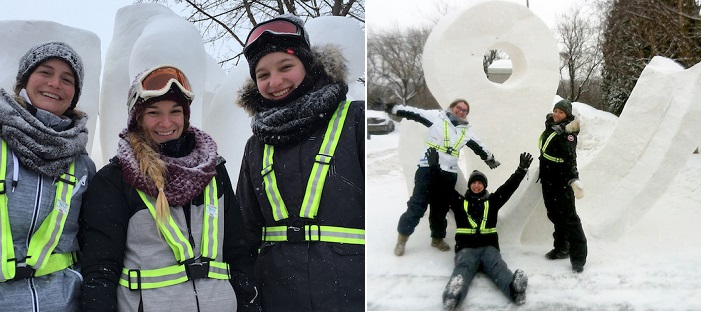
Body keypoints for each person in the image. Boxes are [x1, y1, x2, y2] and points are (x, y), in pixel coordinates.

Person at [79, 65, 260, 311]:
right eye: (154, 112)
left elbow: (238, 253)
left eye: (175, 111)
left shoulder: (213, 172)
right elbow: (100, 270)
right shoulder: (115, 180)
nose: (166, 122)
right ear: (138, 118)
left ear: (185, 116)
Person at [236, 14, 365, 312]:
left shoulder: (355, 120)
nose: (275, 82)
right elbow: (244, 234)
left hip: (351, 293)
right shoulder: (255, 146)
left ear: (308, 66)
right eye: (263, 75)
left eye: (286, 67)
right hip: (276, 295)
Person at [0, 41, 95, 311]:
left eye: (67, 79)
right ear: (24, 79)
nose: (55, 84)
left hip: (63, 302)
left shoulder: (83, 164)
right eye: (45, 72)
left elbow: (91, 241)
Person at [387, 99, 501, 256]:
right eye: (458, 108)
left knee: (440, 208)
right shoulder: (436, 117)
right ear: (452, 107)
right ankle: (402, 239)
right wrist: (393, 108)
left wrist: (489, 158)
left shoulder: (466, 130)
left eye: (465, 110)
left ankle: (437, 238)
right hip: (428, 167)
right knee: (417, 205)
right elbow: (413, 113)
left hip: (449, 172)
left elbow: (478, 145)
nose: (461, 111)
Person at [432, 148, 532, 310]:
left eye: (480, 183)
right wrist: (435, 169)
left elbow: (508, 188)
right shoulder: (459, 202)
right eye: (474, 182)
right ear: (470, 185)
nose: (477, 185)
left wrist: (521, 171)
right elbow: (445, 188)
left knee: (499, 268)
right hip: (466, 249)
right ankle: (453, 295)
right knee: (463, 269)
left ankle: (515, 291)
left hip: (489, 248)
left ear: (484, 186)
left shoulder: (492, 202)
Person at [537, 99, 587, 273]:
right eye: (555, 111)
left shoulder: (568, 133)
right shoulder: (551, 125)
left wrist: (574, 179)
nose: (556, 114)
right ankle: (561, 248)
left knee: (570, 219)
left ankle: (578, 257)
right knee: (554, 214)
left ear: (567, 115)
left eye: (561, 112)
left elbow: (571, 158)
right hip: (548, 178)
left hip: (561, 180)